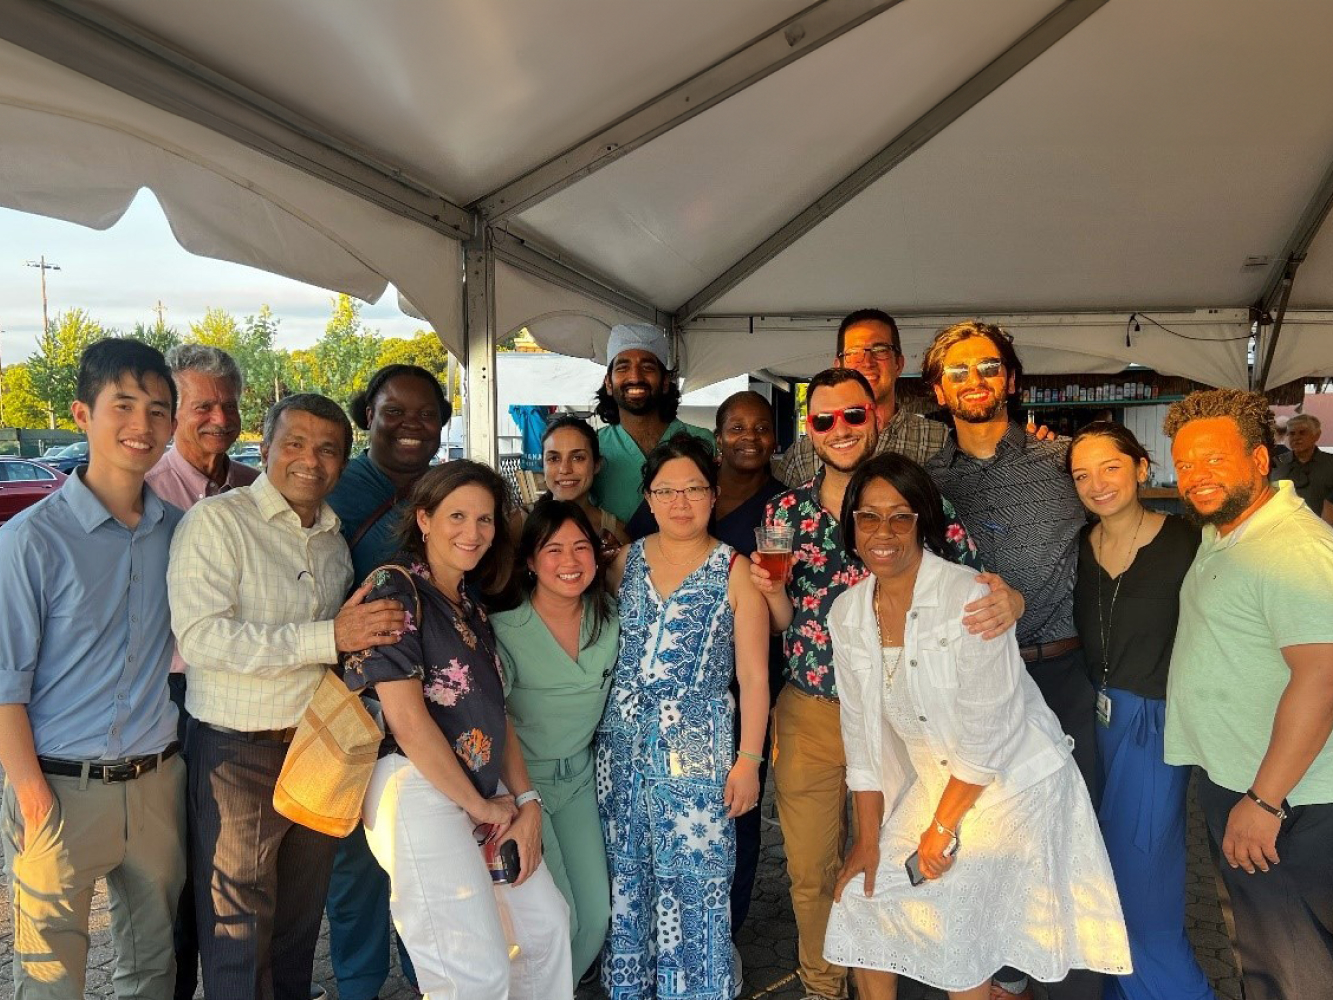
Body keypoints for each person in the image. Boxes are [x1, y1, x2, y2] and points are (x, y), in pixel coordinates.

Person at [822, 452, 1130, 999]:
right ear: (851, 526)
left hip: (1012, 785)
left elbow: (988, 736)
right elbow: (862, 737)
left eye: (901, 516)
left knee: (961, 925)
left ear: (924, 521)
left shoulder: (969, 596)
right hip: (940, 784)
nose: (884, 531)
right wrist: (867, 842)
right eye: (868, 517)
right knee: (859, 902)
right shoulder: (846, 612)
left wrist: (940, 831)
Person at [752, 368, 1014, 1000]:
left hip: (906, 717)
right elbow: (790, 621)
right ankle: (823, 983)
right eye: (822, 419)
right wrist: (773, 597)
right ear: (808, 429)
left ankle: (916, 966)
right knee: (813, 867)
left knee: (901, 854)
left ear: (876, 416)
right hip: (813, 709)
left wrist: (1015, 602)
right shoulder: (786, 511)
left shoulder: (924, 503)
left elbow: (980, 591)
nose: (838, 429)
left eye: (852, 416)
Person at [168, 393, 407, 1000]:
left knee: (299, 926)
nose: (310, 460)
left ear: (343, 462)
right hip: (234, 753)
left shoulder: (331, 540)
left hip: (316, 750)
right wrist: (331, 636)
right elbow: (201, 637)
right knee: (237, 930)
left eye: (328, 449)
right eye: (295, 443)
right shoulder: (218, 522)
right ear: (265, 447)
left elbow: (337, 645)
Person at [0, 339, 185, 1000]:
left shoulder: (179, 533)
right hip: (58, 790)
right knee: (49, 978)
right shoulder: (29, 541)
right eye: (124, 405)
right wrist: (31, 799)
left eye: (159, 410)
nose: (142, 425)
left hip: (158, 783)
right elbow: (3, 686)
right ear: (83, 413)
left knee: (151, 971)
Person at [347, 461, 573, 1000]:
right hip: (416, 788)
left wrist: (525, 799)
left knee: (545, 929)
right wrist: (480, 805)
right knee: (470, 971)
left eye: (485, 519)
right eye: (456, 516)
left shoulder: (468, 601)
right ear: (423, 518)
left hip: (480, 788)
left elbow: (496, 712)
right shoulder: (395, 590)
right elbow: (407, 718)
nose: (472, 532)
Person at [922, 322, 1101, 1000]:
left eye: (987, 368)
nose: (974, 381)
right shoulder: (926, 482)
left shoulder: (1062, 464)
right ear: (939, 390)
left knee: (1068, 839)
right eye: (958, 372)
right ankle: (990, 977)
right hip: (967, 692)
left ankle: (1065, 983)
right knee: (982, 843)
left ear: (1012, 380)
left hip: (1058, 676)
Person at [1163, 388, 1333, 1000]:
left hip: (1288, 802)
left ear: (1260, 461)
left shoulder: (1292, 549)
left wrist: (1263, 802)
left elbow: (1323, 678)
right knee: (1265, 954)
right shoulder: (1230, 533)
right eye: (1184, 465)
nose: (1196, 477)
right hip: (1248, 785)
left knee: (1291, 965)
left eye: (1213, 459)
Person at [597, 432, 770, 999]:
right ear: (647, 498)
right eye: (666, 490)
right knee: (628, 877)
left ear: (713, 496)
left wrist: (748, 761)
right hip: (621, 750)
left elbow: (753, 678)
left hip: (699, 748)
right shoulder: (622, 562)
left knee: (696, 883)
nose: (680, 502)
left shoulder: (734, 570)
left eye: (693, 489)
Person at [1067, 422, 1216, 1000]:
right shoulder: (1078, 546)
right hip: (1090, 722)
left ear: (1141, 466)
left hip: (1154, 725)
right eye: (1082, 474)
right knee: (1102, 872)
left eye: (1110, 467)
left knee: (1145, 879)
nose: (1097, 483)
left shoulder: (1186, 540)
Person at [323, 364, 450, 1000]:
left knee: (426, 850)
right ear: (366, 415)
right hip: (354, 707)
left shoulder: (449, 489)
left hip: (436, 704)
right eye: (393, 411)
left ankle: (428, 976)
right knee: (355, 864)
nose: (410, 425)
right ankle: (358, 984)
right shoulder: (333, 490)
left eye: (425, 413)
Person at [145, 342, 258, 1000]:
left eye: (229, 403)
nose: (218, 416)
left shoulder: (249, 489)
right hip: (172, 698)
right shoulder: (144, 492)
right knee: (182, 871)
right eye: (202, 404)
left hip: (241, 696)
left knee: (229, 866)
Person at [492, 501, 618, 985]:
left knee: (596, 918)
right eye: (554, 549)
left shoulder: (610, 619)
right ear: (529, 561)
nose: (570, 561)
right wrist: (523, 800)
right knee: (554, 921)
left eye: (581, 547)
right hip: (527, 786)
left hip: (581, 780)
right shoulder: (506, 629)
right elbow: (497, 719)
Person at [709, 390, 787, 945]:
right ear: (719, 436)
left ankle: (728, 929)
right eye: (737, 427)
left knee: (740, 801)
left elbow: (792, 603)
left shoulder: (785, 507)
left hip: (752, 681)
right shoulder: (690, 491)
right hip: (682, 686)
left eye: (761, 428)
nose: (750, 438)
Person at [776, 308, 949, 489]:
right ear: (838, 367)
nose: (867, 362)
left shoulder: (939, 440)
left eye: (880, 350)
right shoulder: (802, 454)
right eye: (854, 353)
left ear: (898, 364)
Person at [592, 323, 714, 525]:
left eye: (647, 367)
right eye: (623, 367)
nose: (635, 377)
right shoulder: (593, 447)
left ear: (665, 381)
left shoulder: (702, 440)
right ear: (609, 383)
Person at [539, 413, 629, 556]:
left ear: (596, 465)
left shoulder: (616, 533)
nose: (565, 469)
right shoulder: (520, 525)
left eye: (578, 458)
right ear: (542, 465)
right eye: (554, 458)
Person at [1267, 413, 1333, 519]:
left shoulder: (1330, 464)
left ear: (1317, 435)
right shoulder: (1276, 464)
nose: (1296, 438)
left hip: (1322, 531)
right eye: (1292, 434)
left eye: (1302, 433)